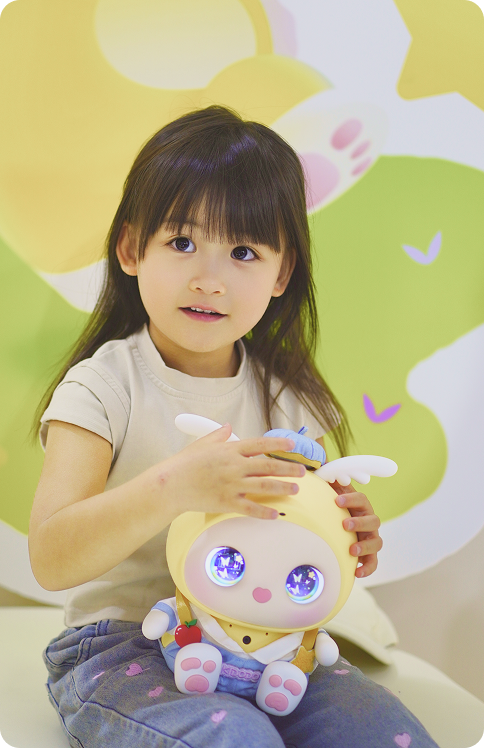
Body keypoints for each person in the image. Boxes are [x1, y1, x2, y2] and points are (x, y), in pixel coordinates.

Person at [29, 106, 439, 748]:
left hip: (271, 646)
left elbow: (296, 536)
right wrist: (174, 487)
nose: (209, 280)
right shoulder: (102, 387)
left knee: (385, 731)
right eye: (182, 242)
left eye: (244, 252)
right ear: (132, 250)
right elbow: (52, 559)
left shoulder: (289, 400)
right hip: (122, 646)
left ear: (281, 274)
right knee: (237, 738)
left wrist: (345, 537)